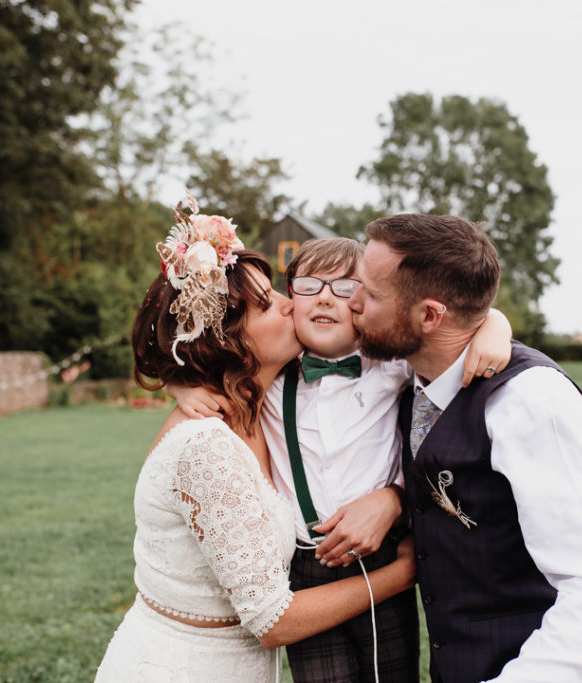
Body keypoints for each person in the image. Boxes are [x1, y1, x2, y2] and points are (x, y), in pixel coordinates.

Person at [94, 200, 416, 683]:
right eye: (270, 303)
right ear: (228, 337)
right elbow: (271, 619)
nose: (295, 304)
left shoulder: (253, 403)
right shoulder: (208, 441)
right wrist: (407, 571)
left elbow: (443, 334)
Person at [169, 236, 514, 683]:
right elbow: (189, 354)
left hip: (382, 551)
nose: (327, 298)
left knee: (394, 673)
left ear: (365, 304)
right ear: (290, 300)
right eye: (310, 285)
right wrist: (182, 385)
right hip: (304, 563)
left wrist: (496, 324)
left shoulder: (392, 364)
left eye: (345, 288)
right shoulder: (270, 373)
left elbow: (455, 326)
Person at [347, 214, 582, 683]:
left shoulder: (531, 404)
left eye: (371, 293)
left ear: (429, 315)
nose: (352, 303)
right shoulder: (407, 375)